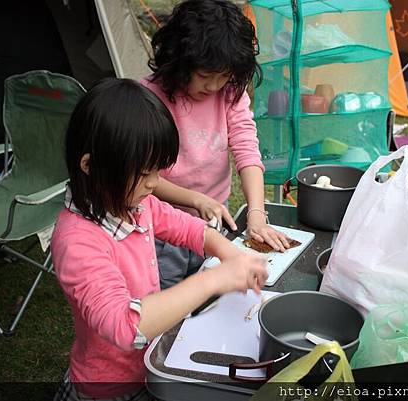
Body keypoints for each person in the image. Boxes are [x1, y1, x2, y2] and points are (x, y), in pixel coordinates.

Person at [51, 78, 268, 401]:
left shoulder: (134, 203)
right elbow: (125, 326)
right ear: (90, 166)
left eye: (158, 171)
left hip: (148, 365)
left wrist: (229, 253)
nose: (155, 184)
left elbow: (187, 227)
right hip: (108, 387)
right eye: (144, 173)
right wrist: (212, 281)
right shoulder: (78, 241)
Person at [142, 0, 291, 289]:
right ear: (179, 61)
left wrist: (256, 214)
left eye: (223, 77)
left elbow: (247, 149)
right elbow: (141, 176)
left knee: (208, 287)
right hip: (160, 224)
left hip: (214, 217)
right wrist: (195, 199)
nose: (214, 86)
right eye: (205, 76)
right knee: (166, 293)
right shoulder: (149, 97)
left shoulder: (229, 91)